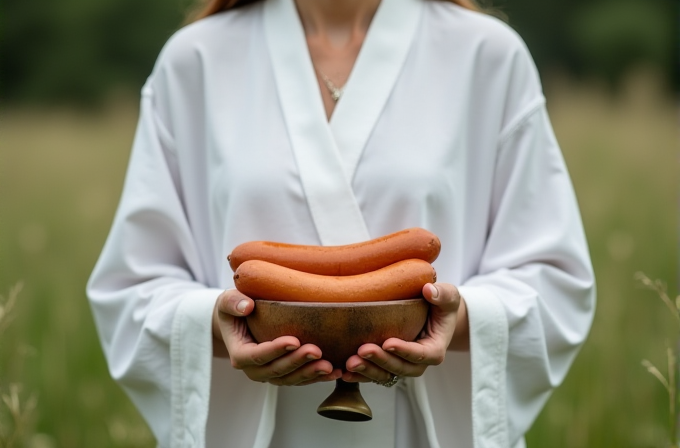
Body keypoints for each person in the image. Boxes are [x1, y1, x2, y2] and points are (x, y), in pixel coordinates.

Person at [87, 0, 596, 446]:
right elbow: (132, 286)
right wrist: (217, 327)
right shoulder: (193, 60)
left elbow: (553, 280)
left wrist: (456, 320)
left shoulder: (488, 55)